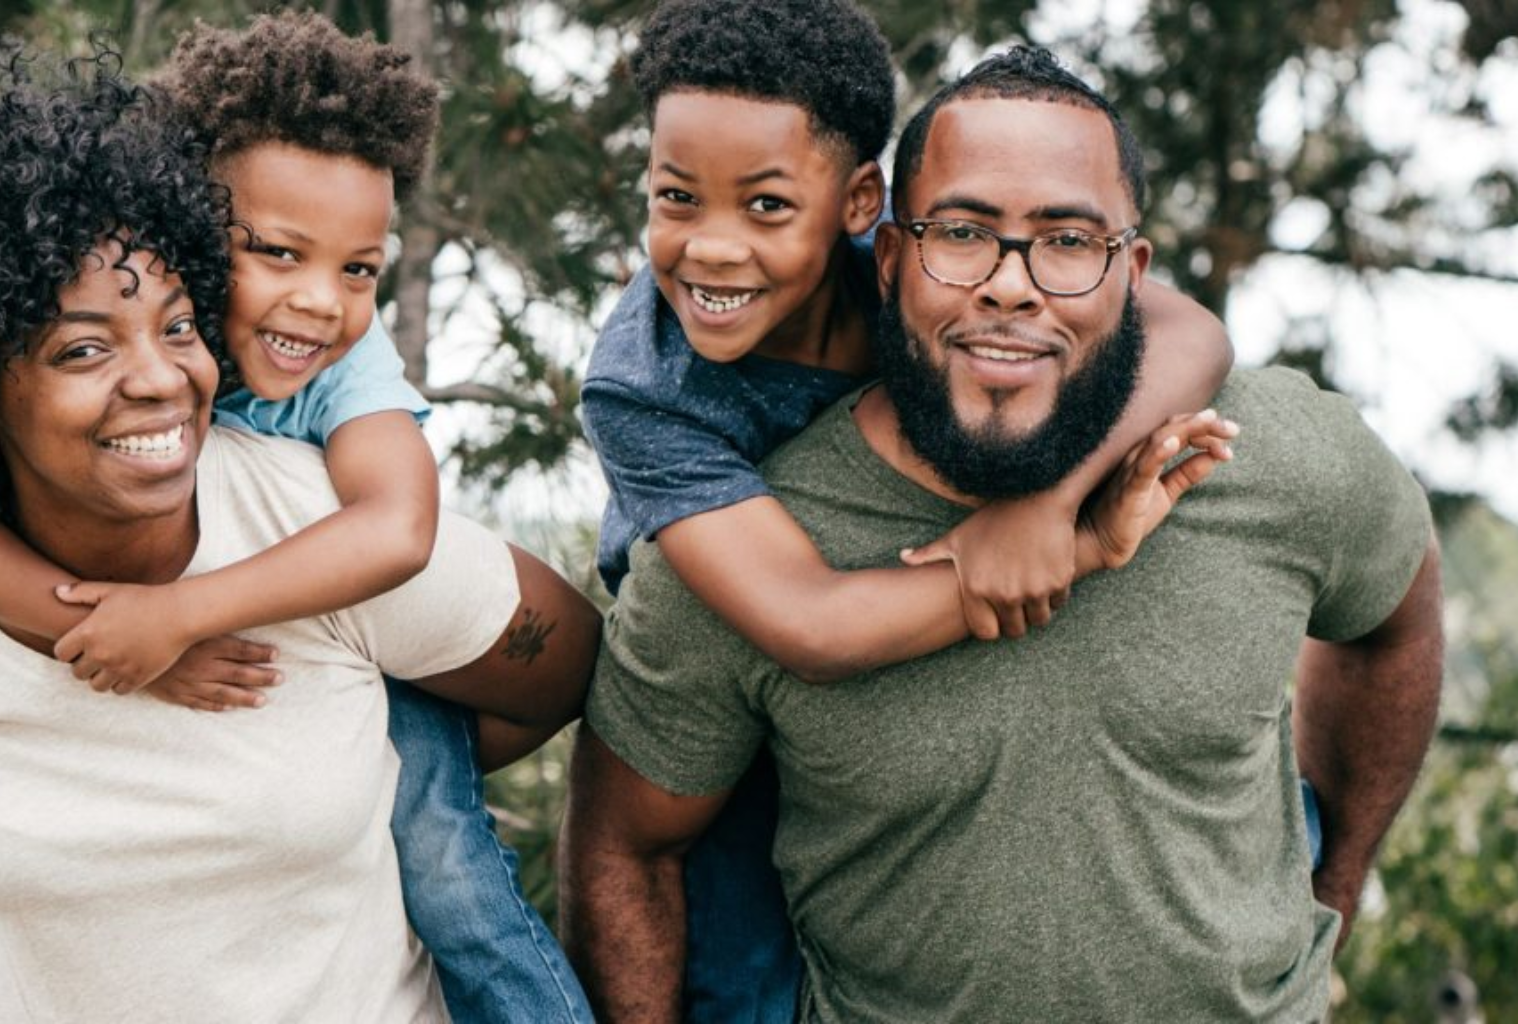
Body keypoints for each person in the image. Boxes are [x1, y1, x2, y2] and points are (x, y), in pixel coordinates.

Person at [562, 46, 1443, 1023]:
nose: (1011, 285)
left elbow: (1394, 613)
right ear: (888, 256)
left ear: (1131, 272)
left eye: (1066, 241)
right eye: (963, 233)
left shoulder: (1268, 451)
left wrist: (1332, 891)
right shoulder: (739, 543)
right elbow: (624, 849)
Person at [0, 15, 594, 1024]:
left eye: (177, 328)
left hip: (355, 636)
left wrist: (186, 620)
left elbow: (419, 550)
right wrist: (93, 639)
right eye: (81, 351)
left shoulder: (319, 454)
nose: (157, 378)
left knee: (451, 862)